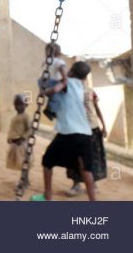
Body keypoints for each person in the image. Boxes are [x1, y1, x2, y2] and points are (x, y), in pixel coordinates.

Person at [31, 61, 97, 201]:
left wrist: (45, 92)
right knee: (86, 168)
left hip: (69, 132)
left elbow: (54, 90)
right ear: (85, 78)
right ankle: (93, 200)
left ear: (71, 72)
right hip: (85, 133)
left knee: (47, 161)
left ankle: (47, 195)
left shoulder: (68, 83)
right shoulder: (81, 86)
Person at [66, 62, 107, 196]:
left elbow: (97, 109)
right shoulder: (70, 90)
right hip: (77, 129)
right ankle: (76, 184)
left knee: (92, 157)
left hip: (92, 129)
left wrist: (103, 126)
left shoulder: (90, 92)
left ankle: (92, 183)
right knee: (74, 157)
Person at [6, 94, 30, 189]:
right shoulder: (16, 117)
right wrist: (9, 137)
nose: (18, 107)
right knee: (21, 164)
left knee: (24, 163)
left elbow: (30, 129)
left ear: (26, 105)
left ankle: (24, 182)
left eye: (21, 104)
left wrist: (23, 138)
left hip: (22, 144)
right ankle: (25, 181)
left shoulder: (26, 116)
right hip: (15, 143)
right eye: (16, 104)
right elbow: (13, 129)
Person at [39, 43, 67, 120]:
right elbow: (63, 72)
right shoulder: (59, 62)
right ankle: (50, 110)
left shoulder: (45, 61)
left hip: (42, 82)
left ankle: (50, 110)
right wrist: (65, 81)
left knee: (54, 97)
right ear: (59, 53)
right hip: (53, 82)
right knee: (59, 96)